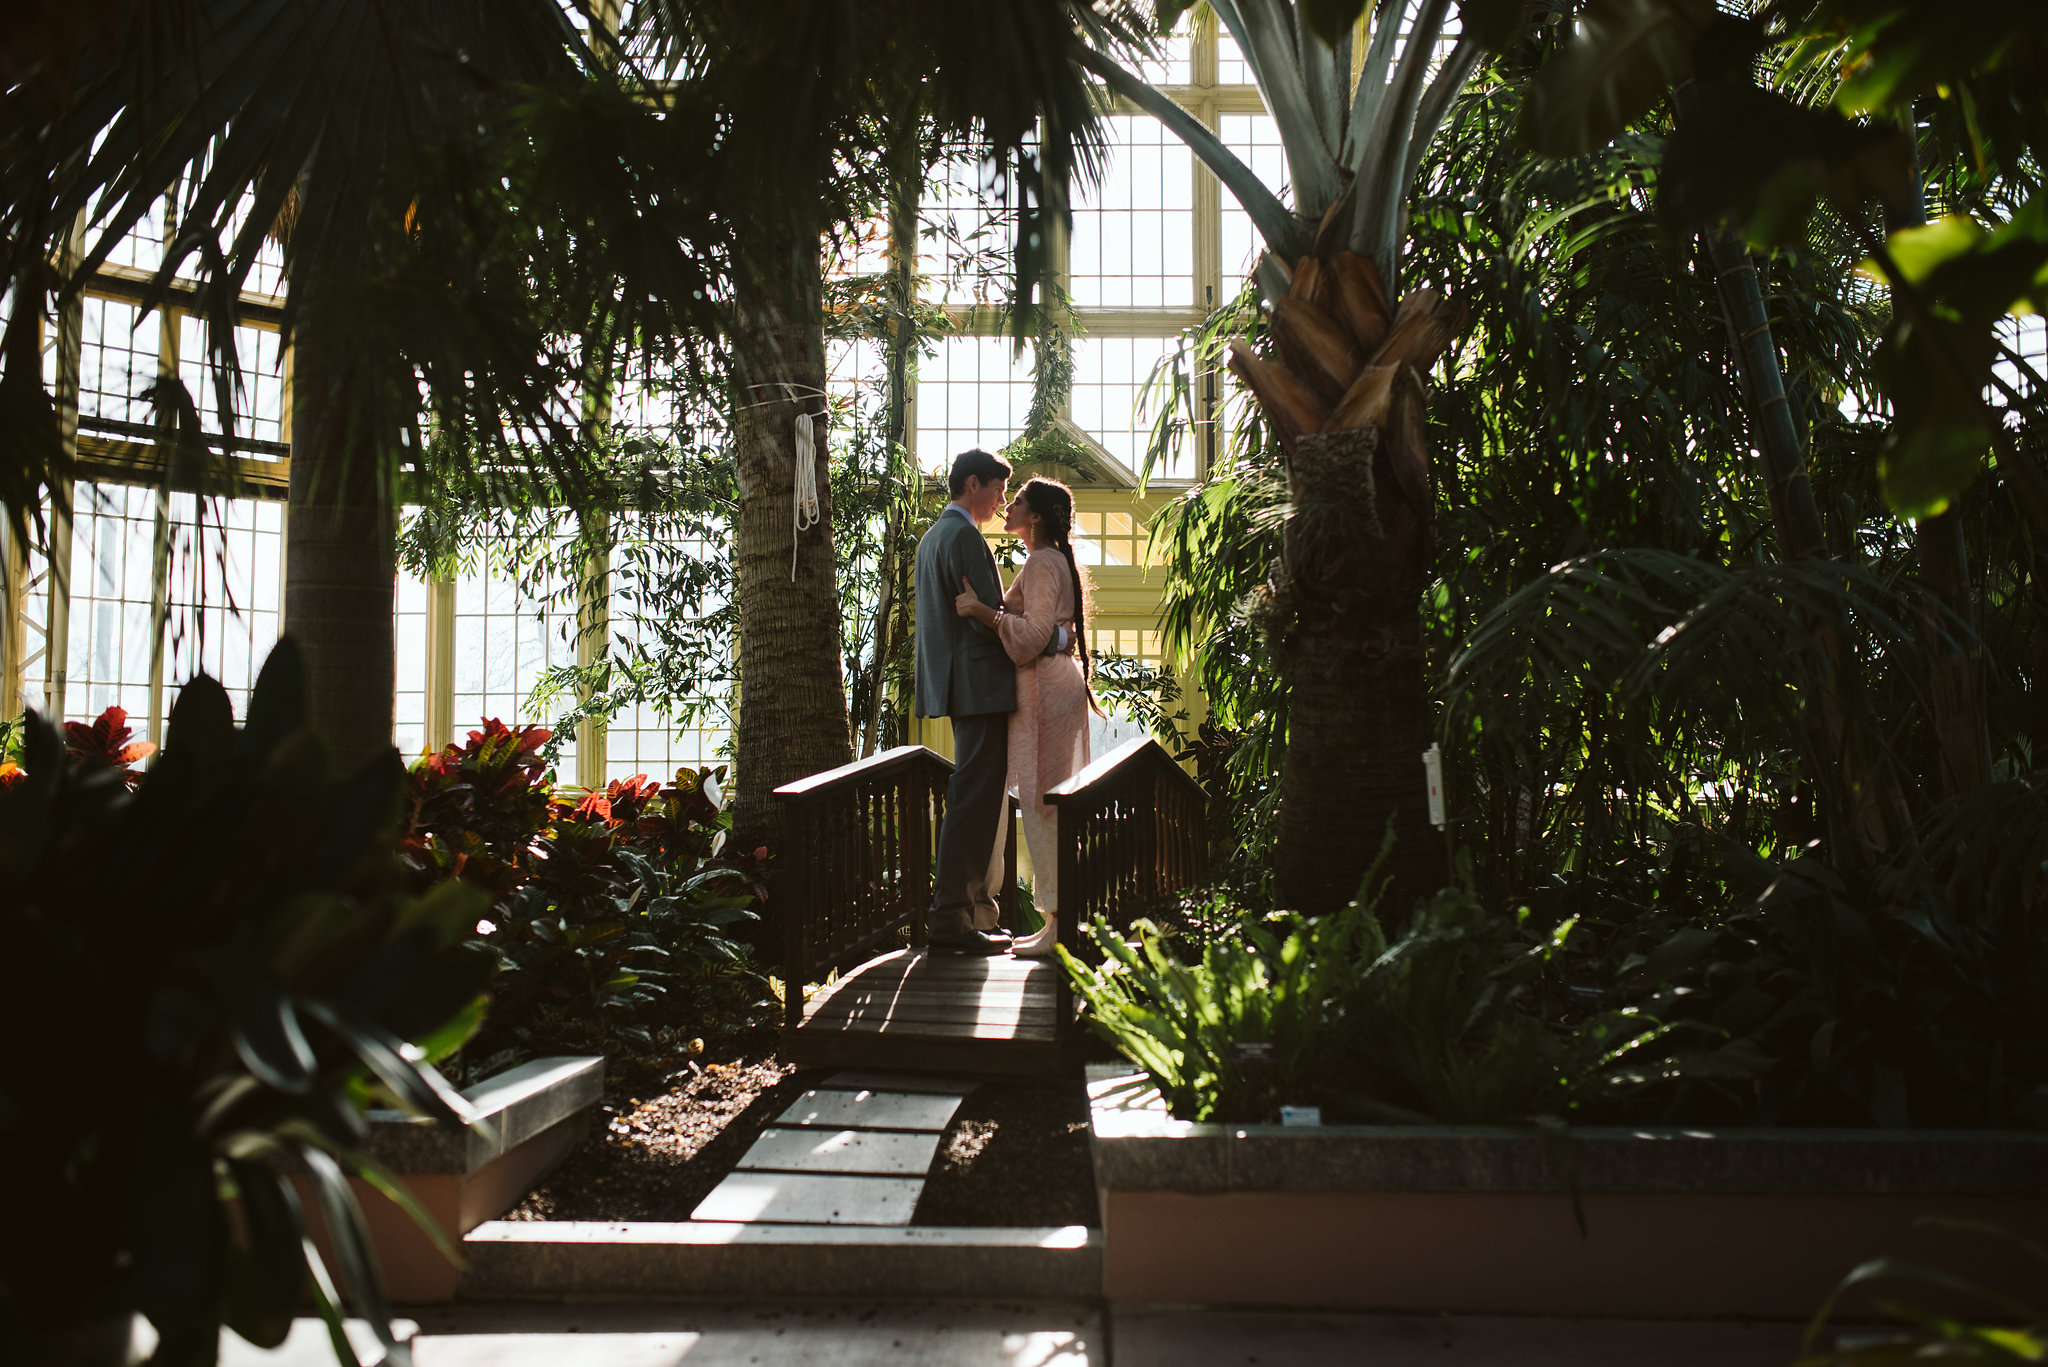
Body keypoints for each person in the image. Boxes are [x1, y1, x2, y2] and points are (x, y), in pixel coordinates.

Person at [953, 475, 1097, 957]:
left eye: (1017, 501)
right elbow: (1058, 633)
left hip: (1044, 694)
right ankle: (1058, 921)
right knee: (1048, 806)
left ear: (1035, 516)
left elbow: (1035, 634)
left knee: (1044, 806)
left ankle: (1060, 924)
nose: (1008, 506)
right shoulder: (1054, 561)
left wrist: (980, 611)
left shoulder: (1040, 562)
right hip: (1055, 687)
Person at [913, 448, 1016, 954]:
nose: (1002, 500)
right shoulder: (965, 537)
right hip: (980, 687)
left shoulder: (933, 537)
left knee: (973, 798)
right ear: (971, 484)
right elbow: (992, 615)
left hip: (956, 684)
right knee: (974, 801)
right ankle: (952, 916)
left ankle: (971, 913)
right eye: (997, 489)